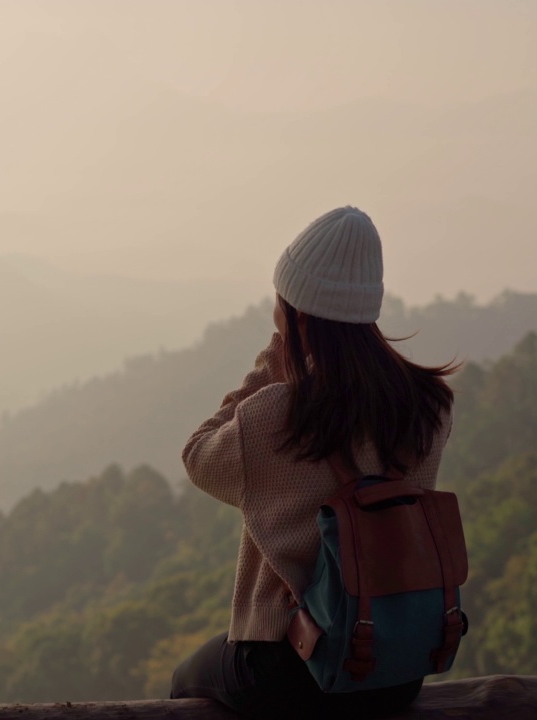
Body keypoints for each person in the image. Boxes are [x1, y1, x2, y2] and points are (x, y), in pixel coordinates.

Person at [170, 206, 458, 719]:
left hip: (290, 664)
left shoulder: (274, 414)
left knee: (185, 679)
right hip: (392, 665)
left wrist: (273, 366)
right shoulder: (429, 406)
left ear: (296, 313)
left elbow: (198, 454)